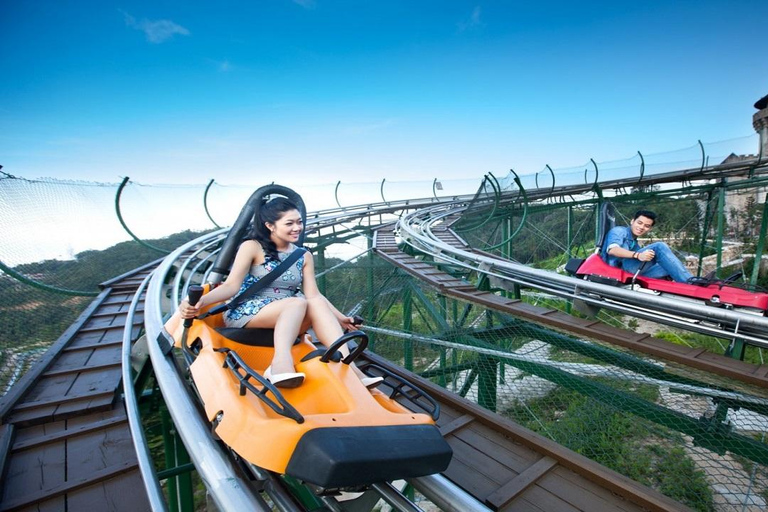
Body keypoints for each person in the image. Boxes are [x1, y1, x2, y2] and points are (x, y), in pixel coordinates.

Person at [178, 196, 382, 389]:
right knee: (297, 302)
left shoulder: (303, 255)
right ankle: (279, 364)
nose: (297, 228)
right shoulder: (252, 247)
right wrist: (200, 301)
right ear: (270, 226)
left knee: (311, 302)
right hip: (249, 311)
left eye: (299, 222)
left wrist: (341, 318)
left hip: (291, 313)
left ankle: (350, 367)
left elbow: (314, 295)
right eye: (289, 223)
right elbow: (231, 286)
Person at [601, 209, 694, 283]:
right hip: (616, 271)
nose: (641, 227)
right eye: (639, 223)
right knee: (659, 247)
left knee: (671, 266)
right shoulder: (619, 231)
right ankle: (690, 283)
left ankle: (681, 290)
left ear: (650, 228)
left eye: (646, 226)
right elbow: (612, 250)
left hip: (630, 272)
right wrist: (637, 255)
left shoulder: (634, 243)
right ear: (632, 221)